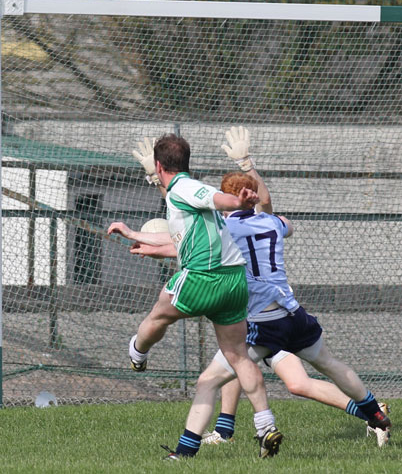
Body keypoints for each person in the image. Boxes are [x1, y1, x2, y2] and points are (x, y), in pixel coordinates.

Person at [129, 127, 392, 449]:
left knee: (218, 372)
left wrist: (140, 235)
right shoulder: (274, 223)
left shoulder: (225, 228)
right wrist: (247, 165)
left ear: (225, 204)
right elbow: (269, 209)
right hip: (291, 312)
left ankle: (194, 447)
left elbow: (181, 240)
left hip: (261, 320)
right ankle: (374, 413)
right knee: (324, 366)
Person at [107, 133, 283, 460]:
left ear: (160, 165)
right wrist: (143, 236)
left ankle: (138, 352)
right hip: (233, 282)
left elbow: (217, 198)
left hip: (202, 278)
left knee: (156, 318)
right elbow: (184, 221)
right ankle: (264, 424)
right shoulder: (181, 191)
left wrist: (238, 201)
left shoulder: (188, 188)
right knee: (238, 356)